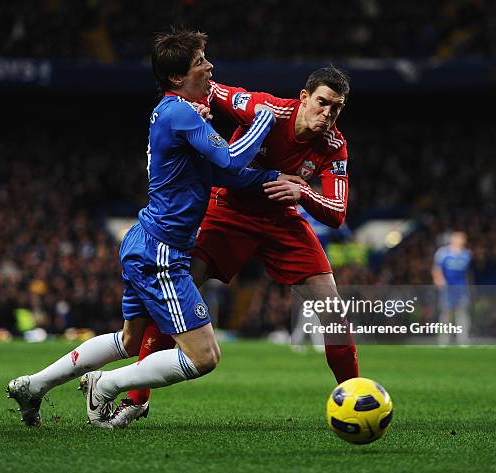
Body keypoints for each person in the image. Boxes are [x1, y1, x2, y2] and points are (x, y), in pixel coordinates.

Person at [6, 27, 300, 427]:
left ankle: (33, 385)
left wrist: (269, 180)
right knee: (204, 356)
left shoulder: (179, 112)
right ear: (177, 77)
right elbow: (231, 160)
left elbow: (220, 174)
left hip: (147, 242)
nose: (210, 67)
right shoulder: (180, 112)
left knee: (129, 340)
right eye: (200, 62)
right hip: (162, 251)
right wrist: (265, 119)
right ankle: (105, 386)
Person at [111, 66, 360, 428]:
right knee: (179, 289)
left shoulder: (334, 145)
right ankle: (137, 399)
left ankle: (354, 399)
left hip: (281, 220)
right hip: (229, 209)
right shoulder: (266, 109)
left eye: (336, 108)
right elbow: (211, 88)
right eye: (322, 103)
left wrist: (302, 192)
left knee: (333, 311)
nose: (328, 114)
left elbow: (338, 213)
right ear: (304, 98)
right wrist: (196, 109)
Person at [432, 231, 473, 345]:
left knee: (462, 313)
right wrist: (439, 281)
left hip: (461, 288)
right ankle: (443, 340)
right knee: (446, 314)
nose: (460, 241)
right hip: (447, 287)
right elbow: (436, 269)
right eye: (458, 238)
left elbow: (468, 273)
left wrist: (469, 287)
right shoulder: (442, 253)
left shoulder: (467, 254)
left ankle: (463, 340)